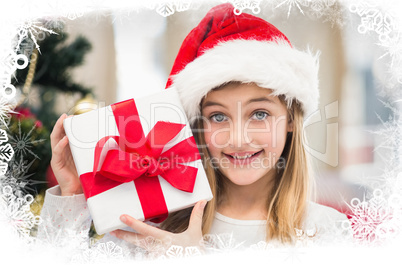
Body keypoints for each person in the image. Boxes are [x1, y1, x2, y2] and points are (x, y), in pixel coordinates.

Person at [37, 3, 351, 257]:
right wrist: (72, 194)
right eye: (218, 117)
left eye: (259, 113)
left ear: (291, 119)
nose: (238, 139)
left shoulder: (328, 231)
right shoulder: (151, 229)